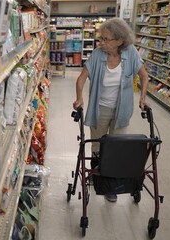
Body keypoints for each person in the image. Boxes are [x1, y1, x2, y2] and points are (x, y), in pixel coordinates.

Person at [72, 18, 149, 202]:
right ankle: (97, 176)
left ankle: (111, 186)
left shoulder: (130, 53)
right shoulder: (98, 54)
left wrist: (143, 97)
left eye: (106, 39)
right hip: (100, 108)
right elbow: (82, 78)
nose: (102, 43)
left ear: (120, 41)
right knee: (98, 146)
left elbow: (144, 76)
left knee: (116, 147)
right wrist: (79, 97)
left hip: (122, 110)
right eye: (101, 39)